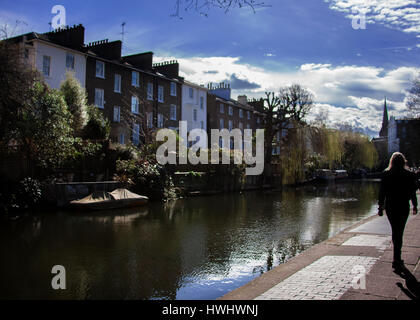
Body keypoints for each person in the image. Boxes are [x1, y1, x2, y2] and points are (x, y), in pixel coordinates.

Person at [378, 152, 418, 272]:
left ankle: (396, 259)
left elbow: (382, 192)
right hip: (403, 206)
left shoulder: (386, 174)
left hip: (391, 206)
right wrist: (415, 205)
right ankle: (397, 259)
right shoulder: (408, 175)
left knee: (395, 230)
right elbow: (412, 192)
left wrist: (380, 207)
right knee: (399, 231)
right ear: (403, 162)